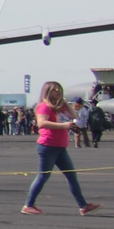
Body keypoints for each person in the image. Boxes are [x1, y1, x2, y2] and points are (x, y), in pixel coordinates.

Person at [23, 80, 101, 216]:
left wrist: (65, 103)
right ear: (48, 92)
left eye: (60, 90)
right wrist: (64, 126)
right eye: (55, 90)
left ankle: (83, 206)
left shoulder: (58, 107)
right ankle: (28, 205)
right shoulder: (44, 107)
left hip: (59, 146)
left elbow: (75, 116)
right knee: (43, 177)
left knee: (71, 176)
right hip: (47, 145)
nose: (58, 93)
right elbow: (42, 123)